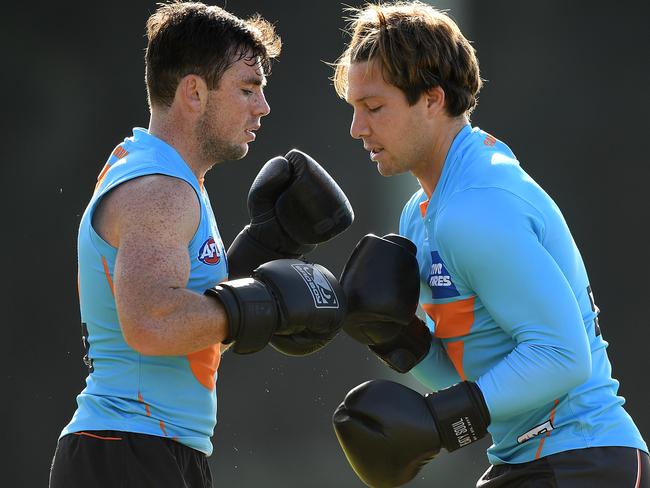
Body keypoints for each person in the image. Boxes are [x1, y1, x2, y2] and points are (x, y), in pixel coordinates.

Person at [329, 2, 649, 487]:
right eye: (354, 110)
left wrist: (441, 420)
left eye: (374, 108)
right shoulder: (422, 214)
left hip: (583, 458)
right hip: (527, 460)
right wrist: (401, 340)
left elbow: (562, 354)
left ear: (433, 99)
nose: (358, 128)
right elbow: (470, 373)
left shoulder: (472, 209)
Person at [49, 3, 353, 487]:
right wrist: (268, 304)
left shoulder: (170, 177)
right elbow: (152, 322)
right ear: (194, 91)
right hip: (128, 449)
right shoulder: (160, 189)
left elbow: (184, 329)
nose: (262, 107)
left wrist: (264, 249)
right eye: (247, 89)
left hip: (146, 448)